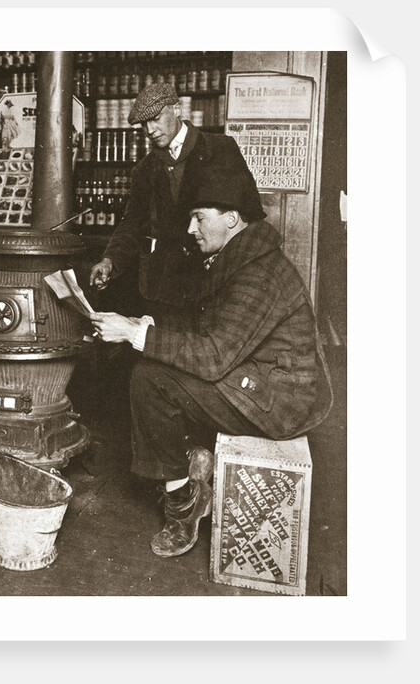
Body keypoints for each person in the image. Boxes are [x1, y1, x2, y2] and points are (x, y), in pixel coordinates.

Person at [89, 167, 333, 558]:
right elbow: (204, 326)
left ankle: (184, 504)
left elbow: (214, 355)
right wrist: (144, 324)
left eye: (199, 217)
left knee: (150, 379)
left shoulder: (259, 272)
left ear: (232, 218)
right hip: (260, 379)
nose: (190, 228)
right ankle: (191, 466)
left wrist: (136, 336)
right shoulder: (242, 255)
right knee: (150, 365)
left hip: (280, 401)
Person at [88, 82, 266, 315]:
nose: (150, 130)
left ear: (177, 109)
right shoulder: (144, 170)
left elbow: (251, 213)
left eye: (156, 118)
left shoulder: (221, 148)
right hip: (164, 287)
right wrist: (110, 260)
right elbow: (131, 224)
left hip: (215, 280)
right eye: (144, 124)